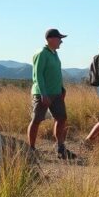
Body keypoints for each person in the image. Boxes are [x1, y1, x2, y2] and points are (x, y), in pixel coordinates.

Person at [27, 28, 75, 159]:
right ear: (50, 39)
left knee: (61, 118)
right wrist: (43, 94)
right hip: (42, 93)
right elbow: (38, 75)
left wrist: (61, 88)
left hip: (57, 93)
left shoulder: (54, 54)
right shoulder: (42, 53)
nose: (61, 41)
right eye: (59, 38)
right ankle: (31, 149)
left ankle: (60, 148)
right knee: (36, 120)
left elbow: (56, 73)